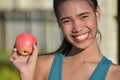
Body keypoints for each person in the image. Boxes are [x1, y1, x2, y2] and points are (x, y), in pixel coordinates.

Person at [9, 0, 120, 80]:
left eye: (84, 16)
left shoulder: (116, 74)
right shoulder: (43, 66)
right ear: (59, 23)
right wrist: (26, 75)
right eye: (67, 21)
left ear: (97, 14)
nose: (77, 28)